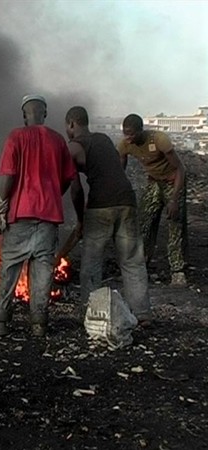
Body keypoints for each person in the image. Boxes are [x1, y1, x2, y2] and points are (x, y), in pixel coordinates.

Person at [0, 95, 77, 338]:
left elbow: (9, 175)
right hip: (49, 215)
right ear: (45, 114)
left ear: (25, 115)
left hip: (21, 213)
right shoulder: (58, 140)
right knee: (43, 269)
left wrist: (1, 206)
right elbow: (67, 178)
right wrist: (52, 195)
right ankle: (39, 324)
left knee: (10, 267)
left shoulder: (16, 136)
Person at [64, 106, 152, 325]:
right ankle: (142, 314)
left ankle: (91, 312)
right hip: (127, 200)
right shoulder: (103, 139)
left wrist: (81, 220)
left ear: (72, 124)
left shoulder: (74, 147)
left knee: (92, 262)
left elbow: (75, 189)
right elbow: (114, 168)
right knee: (132, 260)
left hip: (100, 206)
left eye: (67, 126)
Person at [118, 114, 188, 286]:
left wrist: (174, 199)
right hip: (155, 182)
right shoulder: (125, 145)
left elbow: (181, 169)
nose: (128, 137)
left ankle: (178, 271)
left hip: (173, 181)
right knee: (144, 222)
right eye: (125, 133)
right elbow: (121, 169)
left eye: (131, 134)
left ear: (141, 130)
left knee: (175, 224)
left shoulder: (159, 140)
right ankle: (141, 266)